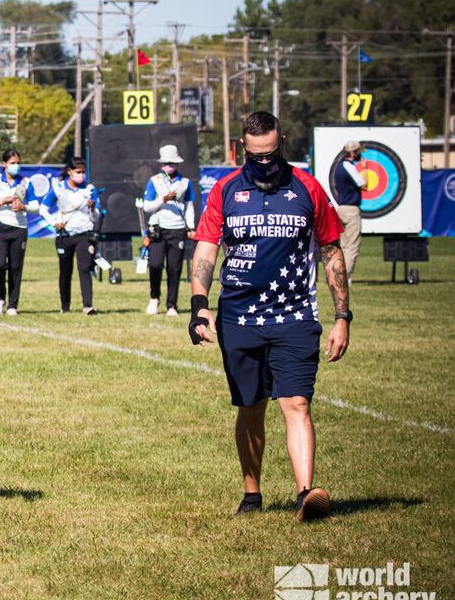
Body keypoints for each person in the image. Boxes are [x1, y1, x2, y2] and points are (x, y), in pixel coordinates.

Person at [189, 112, 351, 521]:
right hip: (239, 318)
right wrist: (198, 305)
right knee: (251, 405)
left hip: (295, 316)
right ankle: (252, 494)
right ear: (242, 148)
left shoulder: (308, 188)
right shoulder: (225, 190)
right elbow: (207, 249)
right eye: (255, 155)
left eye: (271, 153)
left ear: (283, 143)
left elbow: (331, 251)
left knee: (297, 402)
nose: (264, 162)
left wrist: (343, 316)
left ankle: (305, 495)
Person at [0, 149, 40, 315]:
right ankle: (0, 298)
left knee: (16, 267)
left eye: (18, 163)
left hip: (19, 228)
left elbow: (36, 207)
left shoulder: (25, 182)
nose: (16, 166)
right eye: (13, 163)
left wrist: (23, 207)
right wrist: (0, 202)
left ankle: (13, 305)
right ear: (4, 164)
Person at [39, 156, 102, 315]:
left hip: (84, 234)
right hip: (65, 236)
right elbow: (43, 209)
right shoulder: (59, 188)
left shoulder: (90, 189)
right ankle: (65, 306)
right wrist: (54, 223)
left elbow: (96, 217)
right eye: (78, 172)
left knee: (85, 268)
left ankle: (87, 306)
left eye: (83, 172)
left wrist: (92, 208)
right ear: (70, 171)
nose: (81, 175)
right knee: (65, 271)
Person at [142, 144, 196, 316]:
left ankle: (172, 304)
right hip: (158, 228)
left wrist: (191, 227)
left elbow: (189, 207)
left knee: (174, 268)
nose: (169, 167)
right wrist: (163, 199)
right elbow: (147, 206)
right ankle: (154, 297)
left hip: (177, 229)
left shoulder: (185, 183)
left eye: (172, 163)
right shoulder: (154, 181)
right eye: (166, 163)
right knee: (155, 264)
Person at [332, 139, 366, 285]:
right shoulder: (349, 167)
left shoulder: (339, 167)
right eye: (358, 152)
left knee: (344, 245)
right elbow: (364, 185)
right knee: (352, 246)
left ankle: (338, 276)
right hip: (351, 210)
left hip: (341, 209)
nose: (360, 154)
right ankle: (345, 279)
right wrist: (364, 169)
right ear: (352, 152)